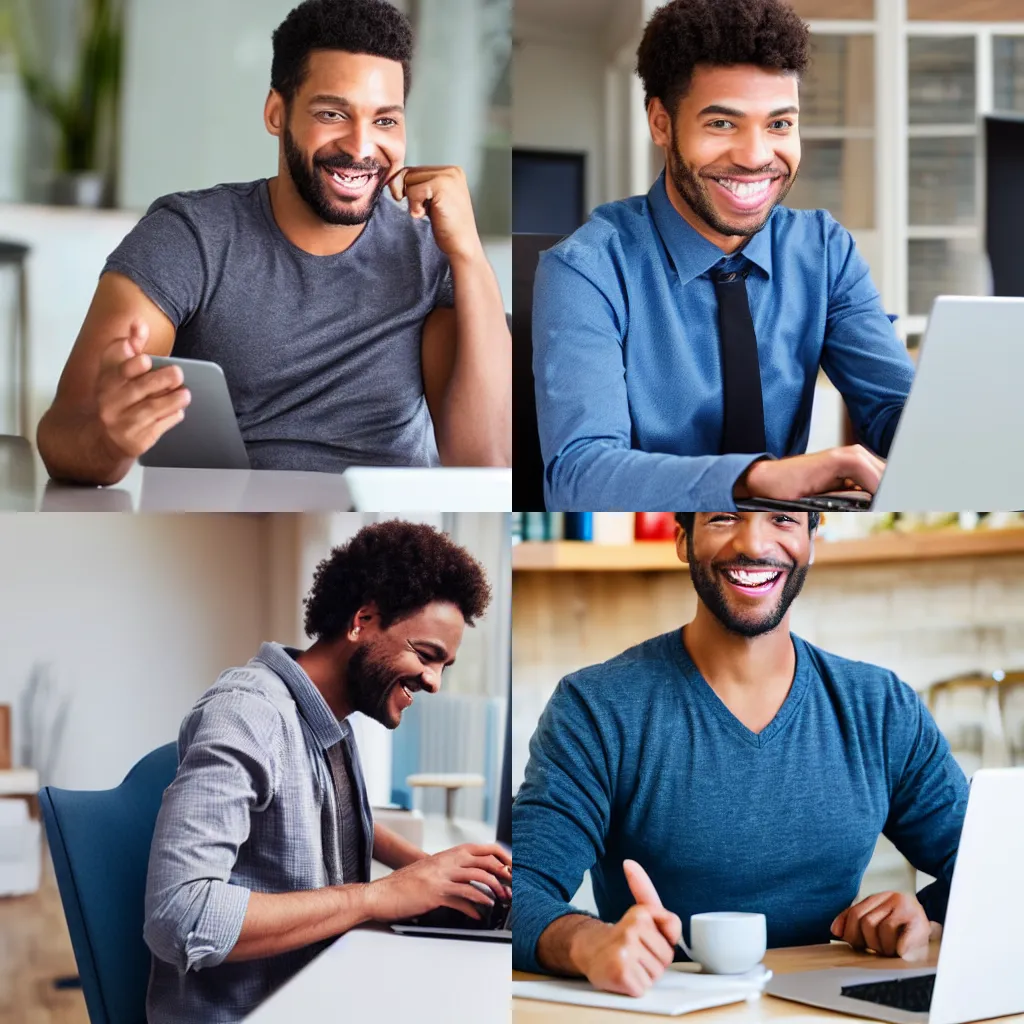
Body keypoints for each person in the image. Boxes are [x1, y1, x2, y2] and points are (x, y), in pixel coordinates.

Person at [38, 0, 510, 486]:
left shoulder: (430, 252)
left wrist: (470, 255)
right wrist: (109, 439)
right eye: (332, 113)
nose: (362, 146)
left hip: (385, 532)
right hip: (229, 532)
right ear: (276, 113)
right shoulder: (190, 236)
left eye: (385, 121)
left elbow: (487, 464)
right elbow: (61, 434)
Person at [512, 511, 966, 998]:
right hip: (664, 1008)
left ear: (815, 537)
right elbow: (516, 891)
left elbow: (997, 868)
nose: (753, 542)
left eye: (783, 519)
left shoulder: (880, 708)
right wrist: (589, 943)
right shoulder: (596, 708)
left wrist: (928, 918)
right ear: (683, 539)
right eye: (724, 517)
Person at [532, 0, 913, 511]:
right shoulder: (586, 269)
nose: (756, 156)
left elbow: (896, 411)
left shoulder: (824, 251)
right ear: (662, 123)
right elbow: (578, 476)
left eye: (779, 125)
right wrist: (758, 479)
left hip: (782, 545)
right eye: (722, 124)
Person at [144, 521, 512, 1024]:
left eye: (444, 666)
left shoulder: (327, 715)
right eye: (427, 656)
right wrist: (377, 897)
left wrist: (433, 870)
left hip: (328, 992)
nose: (433, 682)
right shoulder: (248, 715)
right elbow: (178, 915)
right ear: (362, 619)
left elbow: (319, 810)